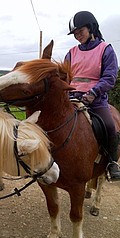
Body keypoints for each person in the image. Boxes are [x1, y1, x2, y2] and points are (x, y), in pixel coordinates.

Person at [65, 10, 120, 181]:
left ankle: (112, 163)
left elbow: (110, 77)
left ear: (91, 28)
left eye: (80, 31)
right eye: (75, 33)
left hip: (95, 99)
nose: (77, 36)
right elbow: (65, 77)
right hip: (72, 97)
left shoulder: (106, 50)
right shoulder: (71, 52)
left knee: (110, 126)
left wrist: (93, 93)